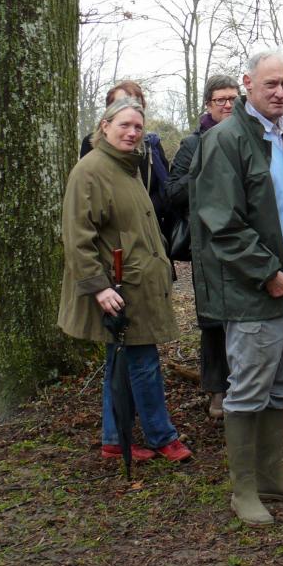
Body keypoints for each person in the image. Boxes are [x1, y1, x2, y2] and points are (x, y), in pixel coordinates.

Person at [190, 49, 283, 525]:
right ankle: (243, 489)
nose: (280, 92)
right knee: (249, 386)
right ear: (248, 83)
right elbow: (220, 223)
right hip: (254, 289)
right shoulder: (227, 140)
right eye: (271, 84)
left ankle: (272, 476)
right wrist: (266, 272)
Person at [60, 99, 192, 463]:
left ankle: (114, 439)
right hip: (119, 288)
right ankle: (162, 436)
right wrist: (99, 287)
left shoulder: (129, 167)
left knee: (122, 363)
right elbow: (77, 236)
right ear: (105, 126)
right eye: (124, 125)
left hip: (138, 283)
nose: (132, 132)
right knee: (143, 361)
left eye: (138, 126)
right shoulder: (91, 171)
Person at [166, 74, 241, 420]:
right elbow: (172, 193)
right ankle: (217, 390)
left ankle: (246, 385)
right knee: (213, 320)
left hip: (244, 241)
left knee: (244, 316)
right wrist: (203, 170)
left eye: (233, 99)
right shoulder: (192, 144)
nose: (228, 105)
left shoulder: (250, 138)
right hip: (207, 245)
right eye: (221, 100)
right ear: (208, 105)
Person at [81, 80, 173, 244]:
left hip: (151, 233)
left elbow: (165, 189)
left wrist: (147, 211)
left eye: (136, 102)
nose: (130, 107)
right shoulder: (91, 145)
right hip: (115, 239)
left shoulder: (151, 144)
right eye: (123, 103)